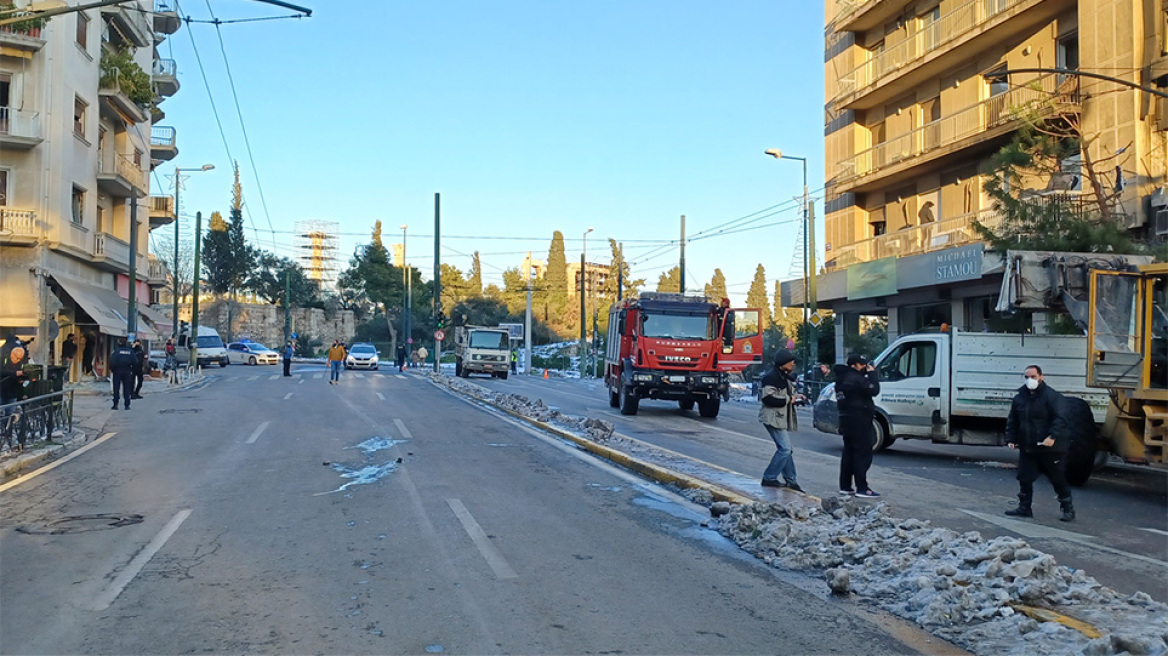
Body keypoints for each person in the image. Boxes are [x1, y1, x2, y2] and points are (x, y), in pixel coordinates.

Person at [1004, 364, 1074, 521]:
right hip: (1028, 446)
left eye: (1033, 377)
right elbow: (1013, 419)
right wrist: (1011, 438)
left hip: (1050, 447)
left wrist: (1052, 436)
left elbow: (1061, 418)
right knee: (1024, 477)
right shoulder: (1020, 398)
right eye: (1027, 377)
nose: (1030, 380)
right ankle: (1024, 507)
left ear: (1041, 377)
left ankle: (1067, 508)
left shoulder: (1052, 396)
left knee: (1057, 477)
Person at [835, 353, 881, 498]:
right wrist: (872, 375)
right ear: (853, 365)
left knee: (849, 452)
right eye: (861, 365)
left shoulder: (841, 378)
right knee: (862, 452)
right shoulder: (856, 379)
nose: (864, 367)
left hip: (846, 418)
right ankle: (862, 487)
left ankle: (845, 485)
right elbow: (874, 390)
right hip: (859, 419)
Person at [758, 349, 804, 492]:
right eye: (791, 361)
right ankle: (769, 477)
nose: (793, 364)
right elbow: (768, 399)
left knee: (786, 450)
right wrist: (790, 400)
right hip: (773, 418)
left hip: (779, 418)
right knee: (785, 449)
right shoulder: (771, 378)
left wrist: (798, 397)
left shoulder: (783, 376)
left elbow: (789, 393)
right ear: (783, 363)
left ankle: (791, 480)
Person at [109, 339, 137, 410]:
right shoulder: (130, 352)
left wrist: (113, 370)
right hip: (127, 371)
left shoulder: (116, 351)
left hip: (117, 371)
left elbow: (112, 361)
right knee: (127, 388)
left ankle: (115, 404)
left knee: (116, 388)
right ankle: (127, 405)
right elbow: (135, 362)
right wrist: (131, 370)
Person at [1, 334, 28, 406]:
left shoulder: (3, 349)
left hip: (2, 387)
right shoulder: (20, 349)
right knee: (11, 409)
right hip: (13, 388)